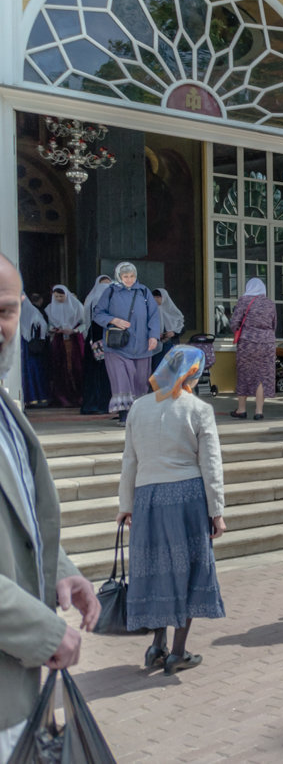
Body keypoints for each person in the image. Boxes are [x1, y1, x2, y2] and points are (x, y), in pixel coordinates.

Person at [0, 254, 99, 761]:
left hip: (14, 697)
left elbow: (18, 512)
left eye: (4, 311)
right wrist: (43, 632)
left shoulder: (7, 411)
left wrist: (59, 568)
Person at [116, 345, 226, 675]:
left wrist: (125, 504)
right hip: (187, 496)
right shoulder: (198, 409)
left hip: (147, 497)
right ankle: (177, 651)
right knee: (189, 569)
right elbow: (210, 464)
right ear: (193, 371)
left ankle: (156, 645)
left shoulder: (138, 407)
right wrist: (217, 511)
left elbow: (129, 460)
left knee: (157, 570)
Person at [92, 261, 160, 426]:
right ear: (119, 277)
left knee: (140, 380)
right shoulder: (110, 292)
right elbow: (97, 313)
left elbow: (154, 316)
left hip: (142, 346)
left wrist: (154, 336)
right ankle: (124, 414)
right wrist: (113, 320)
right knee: (121, 378)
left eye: (132, 276)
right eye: (125, 276)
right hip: (117, 346)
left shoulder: (144, 292)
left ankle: (138, 415)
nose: (129, 280)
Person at [229, 277, 276, 420]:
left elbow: (234, 323)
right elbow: (274, 324)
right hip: (267, 343)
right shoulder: (270, 303)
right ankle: (259, 411)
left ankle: (241, 410)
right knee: (261, 377)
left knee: (244, 373)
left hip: (247, 342)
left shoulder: (244, 300)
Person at [45, 284, 86, 407]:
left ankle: (79, 396)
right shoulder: (50, 308)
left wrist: (73, 330)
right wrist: (54, 329)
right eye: (56, 296)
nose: (58, 299)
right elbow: (49, 326)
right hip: (59, 341)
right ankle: (63, 397)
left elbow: (84, 323)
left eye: (61, 296)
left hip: (75, 340)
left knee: (77, 367)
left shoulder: (77, 306)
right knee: (60, 368)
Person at [79, 275, 113, 415]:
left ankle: (95, 403)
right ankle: (101, 403)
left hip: (94, 342)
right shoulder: (108, 302)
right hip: (104, 341)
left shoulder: (90, 300)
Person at [20, 293, 50, 409]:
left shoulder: (33, 312)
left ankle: (33, 398)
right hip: (27, 347)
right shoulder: (33, 311)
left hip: (29, 348)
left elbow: (42, 327)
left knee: (31, 371)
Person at [150, 288, 185, 371]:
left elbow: (182, 328)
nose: (156, 299)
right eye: (154, 297)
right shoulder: (152, 311)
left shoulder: (173, 311)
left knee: (170, 371)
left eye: (158, 297)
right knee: (157, 370)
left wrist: (173, 333)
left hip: (171, 344)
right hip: (157, 347)